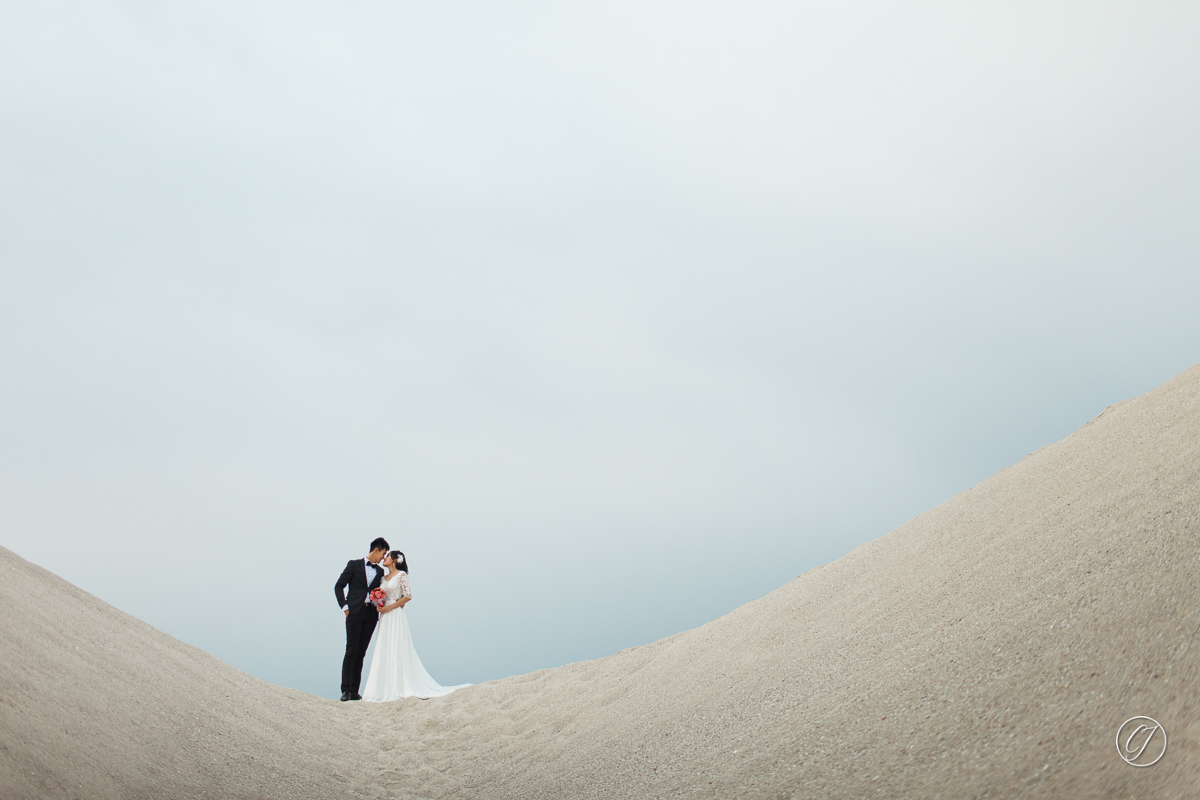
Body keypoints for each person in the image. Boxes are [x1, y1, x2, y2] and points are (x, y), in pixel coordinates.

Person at [361, 550, 470, 701]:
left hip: (394, 613)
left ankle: (400, 683)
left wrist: (389, 607)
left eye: (387, 556)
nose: (384, 558)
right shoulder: (383, 578)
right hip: (384, 614)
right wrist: (379, 604)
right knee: (385, 646)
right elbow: (382, 594)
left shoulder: (401, 575)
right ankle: (383, 686)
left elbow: (407, 595)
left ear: (394, 560)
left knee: (397, 645)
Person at [334, 537, 389, 701]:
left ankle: (354, 690)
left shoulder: (380, 572)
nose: (383, 558)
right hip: (354, 612)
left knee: (361, 652)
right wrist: (344, 607)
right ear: (376, 550)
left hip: (371, 615)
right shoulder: (354, 565)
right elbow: (339, 586)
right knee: (351, 650)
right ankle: (345, 690)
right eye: (383, 554)